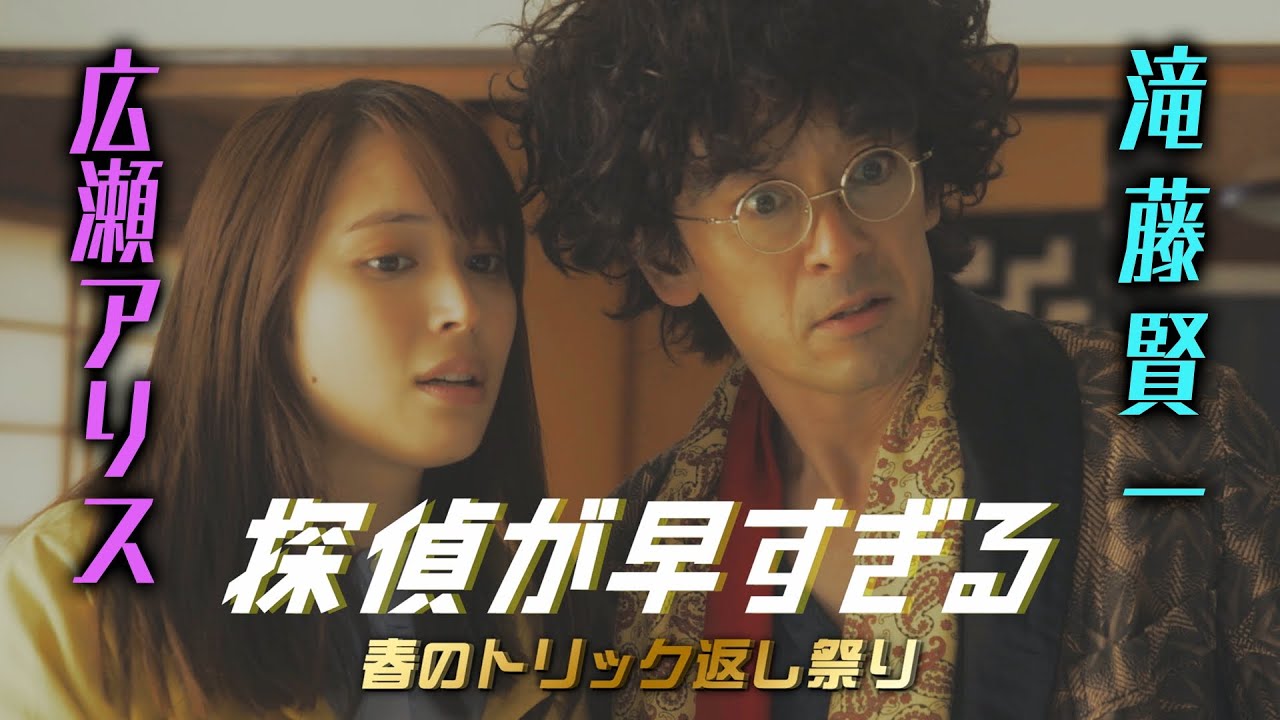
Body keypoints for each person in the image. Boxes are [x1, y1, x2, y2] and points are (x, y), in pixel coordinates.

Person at [507, 0, 1280, 717]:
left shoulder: (1169, 433)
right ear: (666, 257)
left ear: (930, 184)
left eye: (872, 169)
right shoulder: (635, 553)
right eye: (765, 202)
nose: (839, 246)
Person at [0, 79, 584, 719]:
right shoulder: (81, 583)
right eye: (391, 261)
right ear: (261, 294)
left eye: (485, 262)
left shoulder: (528, 604)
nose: (463, 308)